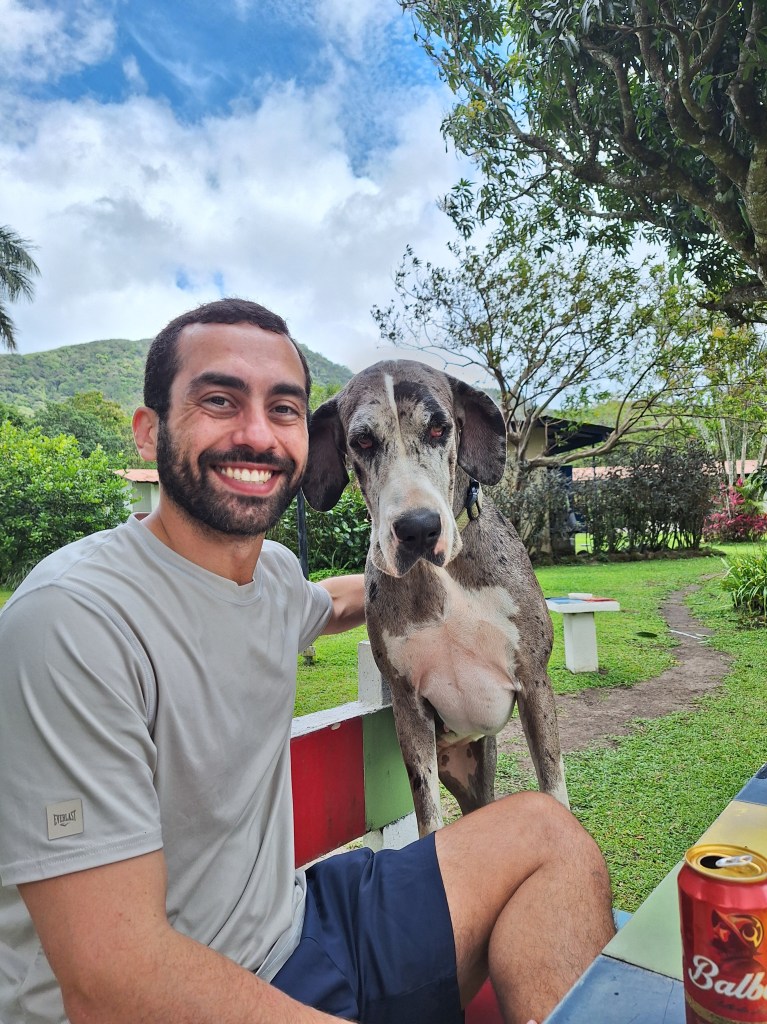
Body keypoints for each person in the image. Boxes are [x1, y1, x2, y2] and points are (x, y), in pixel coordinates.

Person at [0, 298, 615, 1024]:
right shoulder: (71, 621)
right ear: (149, 431)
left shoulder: (272, 579)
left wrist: (456, 584)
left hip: (301, 926)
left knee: (550, 833)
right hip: (186, 991)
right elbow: (110, 981)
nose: (257, 434)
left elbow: (348, 599)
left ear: (309, 443)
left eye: (283, 408)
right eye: (219, 400)